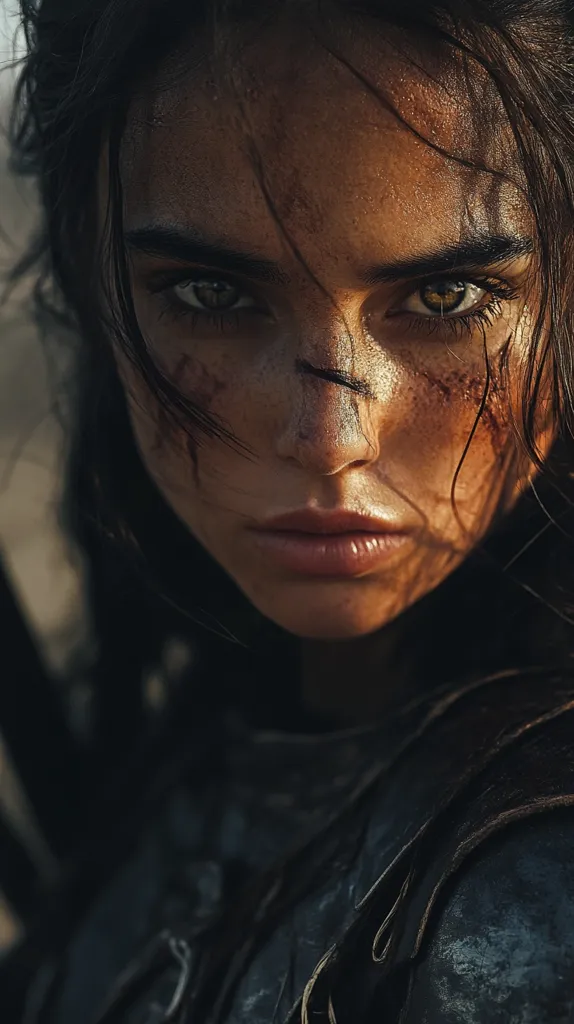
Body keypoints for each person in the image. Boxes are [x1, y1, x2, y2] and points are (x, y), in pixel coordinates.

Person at [4, 0, 574, 1020]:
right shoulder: (182, 754)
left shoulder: (533, 906)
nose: (330, 436)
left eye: (447, 299)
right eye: (212, 294)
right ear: (94, 280)